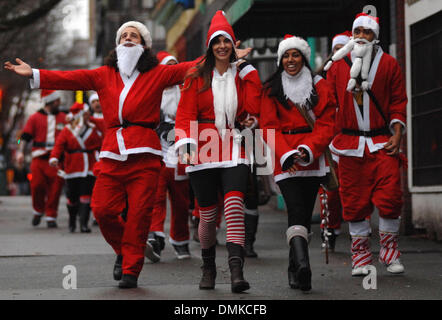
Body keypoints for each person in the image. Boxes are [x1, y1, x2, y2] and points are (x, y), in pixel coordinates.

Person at [4, 20, 225, 289]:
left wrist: (222, 51)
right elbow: (69, 79)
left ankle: (131, 268)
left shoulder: (157, 73)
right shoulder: (103, 74)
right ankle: (125, 249)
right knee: (102, 210)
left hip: (145, 154)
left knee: (139, 215)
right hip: (112, 153)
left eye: (135, 36)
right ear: (118, 44)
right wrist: (33, 74)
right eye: (124, 36)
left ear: (144, 46)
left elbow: (189, 67)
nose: (129, 39)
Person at [174, 10, 261, 293]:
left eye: (227, 41)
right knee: (208, 216)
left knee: (235, 206)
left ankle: (236, 271)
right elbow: (185, 114)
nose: (222, 46)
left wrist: (246, 67)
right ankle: (208, 267)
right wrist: (185, 144)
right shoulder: (196, 74)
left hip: (234, 145)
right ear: (210, 46)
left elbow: (254, 103)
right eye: (216, 42)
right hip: (203, 147)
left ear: (233, 45)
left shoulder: (242, 74)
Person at [325, 13, 407, 276]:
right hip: (349, 145)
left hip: (382, 142)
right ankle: (360, 257)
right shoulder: (337, 67)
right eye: (356, 31)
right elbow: (327, 105)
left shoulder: (390, 64)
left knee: (391, 196)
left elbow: (398, 102)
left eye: (366, 32)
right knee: (354, 202)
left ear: (375, 36)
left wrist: (397, 134)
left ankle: (389, 251)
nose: (360, 36)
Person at [260, 34, 336, 292]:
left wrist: (308, 150)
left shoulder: (320, 86)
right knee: (294, 209)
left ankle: (294, 268)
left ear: (303, 57)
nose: (291, 60)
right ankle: (304, 266)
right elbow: (268, 126)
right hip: (285, 159)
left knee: (303, 213)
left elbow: (327, 124)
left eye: (295, 55)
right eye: (286, 55)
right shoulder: (271, 89)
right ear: (280, 60)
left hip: (312, 158)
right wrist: (287, 154)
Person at [145, 51, 191, 262]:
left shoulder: (187, 92)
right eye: (168, 67)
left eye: (175, 66)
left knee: (181, 202)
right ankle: (155, 238)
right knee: (156, 199)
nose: (172, 71)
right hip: (157, 154)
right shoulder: (151, 93)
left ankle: (180, 240)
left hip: (181, 155)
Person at [317, 31, 352, 252]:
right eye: (336, 49)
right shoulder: (324, 76)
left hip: (354, 141)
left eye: (343, 49)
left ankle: (360, 231)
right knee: (331, 190)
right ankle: (330, 229)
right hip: (331, 142)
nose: (339, 54)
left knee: (353, 189)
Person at [49, 102, 103, 233]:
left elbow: (101, 144)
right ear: (80, 115)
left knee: (86, 195)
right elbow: (59, 146)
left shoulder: (94, 128)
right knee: (72, 197)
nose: (89, 116)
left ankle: (83, 224)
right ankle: (72, 221)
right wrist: (54, 158)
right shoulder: (67, 130)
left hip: (89, 167)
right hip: (72, 168)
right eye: (86, 114)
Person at [15, 89, 66, 228]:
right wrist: (19, 151)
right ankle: (38, 210)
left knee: (55, 189)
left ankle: (51, 216)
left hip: (56, 159)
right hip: (39, 158)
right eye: (57, 101)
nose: (59, 103)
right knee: (37, 185)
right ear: (50, 101)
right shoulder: (34, 117)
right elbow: (22, 138)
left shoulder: (64, 117)